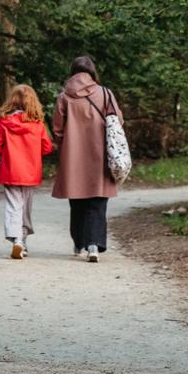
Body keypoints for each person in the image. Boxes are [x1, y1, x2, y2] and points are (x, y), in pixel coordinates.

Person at [51, 55, 123, 262]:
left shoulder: (64, 96)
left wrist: (67, 142)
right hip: (100, 154)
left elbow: (57, 128)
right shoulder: (105, 93)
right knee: (98, 201)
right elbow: (117, 120)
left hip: (72, 156)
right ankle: (94, 245)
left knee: (77, 201)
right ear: (93, 72)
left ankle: (79, 242)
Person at [0, 83, 55, 259]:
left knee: (14, 206)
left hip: (10, 170)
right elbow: (47, 147)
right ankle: (23, 240)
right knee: (26, 207)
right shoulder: (37, 125)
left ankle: (17, 240)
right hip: (30, 172)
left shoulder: (4, 122)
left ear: (11, 101)